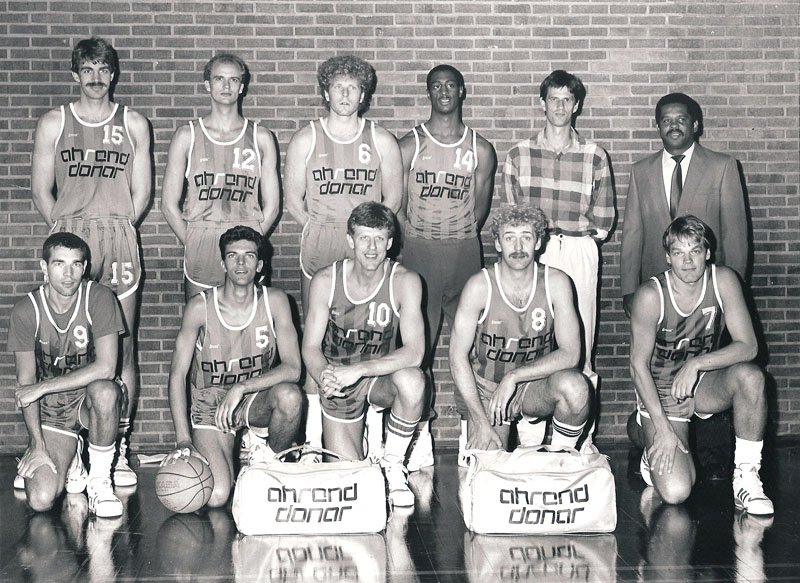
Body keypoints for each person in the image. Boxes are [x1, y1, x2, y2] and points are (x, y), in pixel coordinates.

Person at [30, 37, 152, 486]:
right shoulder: (54, 123)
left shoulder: (134, 123)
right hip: (71, 237)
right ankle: (69, 441)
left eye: (104, 70)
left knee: (123, 347)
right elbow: (42, 190)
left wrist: (114, 226)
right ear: (75, 75)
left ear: (113, 74)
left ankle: (116, 448)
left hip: (117, 236)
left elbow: (141, 195)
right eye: (88, 70)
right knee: (64, 344)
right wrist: (67, 232)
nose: (97, 78)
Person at [621, 92, 749, 480]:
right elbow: (632, 234)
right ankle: (646, 428)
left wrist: (730, 298)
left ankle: (714, 459)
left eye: (682, 118)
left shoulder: (723, 166)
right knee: (654, 369)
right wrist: (629, 289)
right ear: (657, 126)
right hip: (658, 294)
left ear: (695, 124)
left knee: (707, 378)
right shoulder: (641, 170)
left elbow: (736, 236)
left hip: (707, 296)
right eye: (665, 119)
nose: (673, 125)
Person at [284, 55, 403, 456]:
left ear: (364, 94)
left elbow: (394, 200)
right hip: (322, 242)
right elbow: (293, 201)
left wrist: (365, 237)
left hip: (368, 242)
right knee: (320, 334)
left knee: (374, 330)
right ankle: (322, 428)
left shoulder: (381, 139)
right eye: (338, 87)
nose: (346, 93)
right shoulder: (307, 138)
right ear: (325, 92)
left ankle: (368, 417)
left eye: (353, 87)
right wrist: (327, 228)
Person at [628, 215, 772, 515]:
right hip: (661, 390)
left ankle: (746, 478)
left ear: (707, 252)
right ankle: (644, 432)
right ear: (668, 258)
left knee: (751, 377)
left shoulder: (723, 280)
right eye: (679, 253)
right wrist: (663, 429)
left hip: (702, 382)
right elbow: (637, 367)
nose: (688, 261)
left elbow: (749, 346)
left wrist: (697, 364)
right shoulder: (650, 295)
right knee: (677, 491)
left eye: (695, 251)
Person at [397, 64, 497, 470]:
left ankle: (470, 427)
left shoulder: (481, 148)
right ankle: (416, 431)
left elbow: (481, 207)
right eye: (436, 86)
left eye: (450, 85)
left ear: (461, 91)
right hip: (419, 252)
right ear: (428, 92)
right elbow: (395, 201)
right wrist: (416, 236)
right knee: (415, 350)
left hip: (463, 253)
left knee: (470, 347)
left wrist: (458, 234)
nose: (443, 92)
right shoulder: (410, 144)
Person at [162, 226, 302, 508]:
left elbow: (293, 368)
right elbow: (177, 376)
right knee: (215, 496)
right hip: (212, 406)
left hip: (253, 398)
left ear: (260, 264)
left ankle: (267, 458)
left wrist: (241, 388)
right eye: (233, 256)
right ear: (222, 263)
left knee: (289, 396)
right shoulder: (199, 307)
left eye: (249, 256)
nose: (240, 263)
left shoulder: (275, 301)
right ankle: (237, 445)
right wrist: (182, 439)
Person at [301, 202, 426, 507]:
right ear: (349, 240)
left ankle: (393, 463)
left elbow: (415, 352)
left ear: (390, 242)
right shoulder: (325, 281)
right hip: (337, 381)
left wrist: (360, 370)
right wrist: (324, 376)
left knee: (412, 380)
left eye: (379, 239)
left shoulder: (405, 281)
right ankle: (346, 443)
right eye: (363, 238)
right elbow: (311, 347)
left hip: (375, 377)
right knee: (349, 481)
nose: (371, 248)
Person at [503, 70, 614, 397]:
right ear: (543, 103)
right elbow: (512, 217)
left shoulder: (594, 154)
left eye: (567, 100)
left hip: (578, 249)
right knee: (531, 333)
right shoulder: (518, 154)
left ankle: (582, 439)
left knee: (581, 335)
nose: (560, 106)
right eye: (554, 99)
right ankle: (529, 431)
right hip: (536, 250)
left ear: (576, 105)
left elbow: (604, 219)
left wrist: (577, 241)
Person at [449, 204, 591, 454]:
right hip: (487, 391)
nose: (517, 247)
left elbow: (571, 354)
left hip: (532, 385)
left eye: (526, 237)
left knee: (576, 387)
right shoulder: (479, 286)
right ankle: (481, 431)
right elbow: (457, 357)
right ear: (497, 244)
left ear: (538, 243)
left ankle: (560, 458)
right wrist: (481, 422)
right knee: (486, 476)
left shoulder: (557, 283)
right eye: (509, 238)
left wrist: (514, 377)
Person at [7, 233, 127, 518]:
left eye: (76, 264)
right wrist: (37, 445)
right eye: (59, 264)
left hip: (89, 401)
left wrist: (43, 386)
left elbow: (107, 367)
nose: (68, 273)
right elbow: (26, 387)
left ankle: (99, 481)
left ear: (84, 267)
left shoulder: (98, 297)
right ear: (44, 267)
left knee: (106, 390)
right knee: (40, 499)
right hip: (52, 411)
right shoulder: (26, 311)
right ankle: (72, 458)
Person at [161, 53, 280, 300]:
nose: (226, 86)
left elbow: (273, 206)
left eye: (233, 80)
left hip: (245, 237)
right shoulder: (187, 136)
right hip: (202, 238)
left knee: (249, 323)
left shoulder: (261, 137)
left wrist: (252, 243)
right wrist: (193, 240)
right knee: (203, 323)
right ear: (207, 85)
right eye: (219, 79)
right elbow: (168, 205)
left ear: (242, 86)